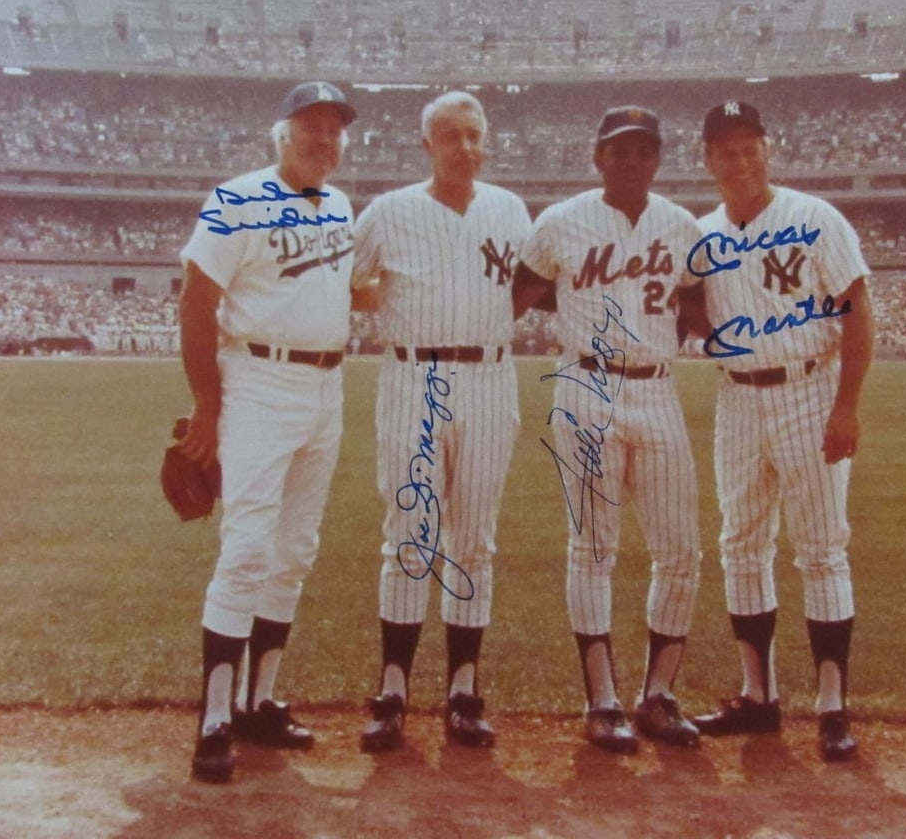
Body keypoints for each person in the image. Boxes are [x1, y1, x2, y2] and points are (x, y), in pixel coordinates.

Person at [178, 81, 362, 783]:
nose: (324, 139)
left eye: (335, 130)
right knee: (247, 545)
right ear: (282, 133)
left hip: (325, 385)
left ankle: (260, 700)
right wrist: (207, 401)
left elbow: (330, 288)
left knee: (296, 548)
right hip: (256, 380)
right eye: (311, 127)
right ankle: (216, 717)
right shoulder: (236, 198)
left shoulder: (341, 204)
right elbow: (198, 303)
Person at [513, 106, 709, 754]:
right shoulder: (561, 222)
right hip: (587, 383)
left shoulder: (682, 226)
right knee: (593, 546)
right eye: (619, 151)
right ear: (598, 157)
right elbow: (521, 292)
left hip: (657, 387)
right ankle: (602, 699)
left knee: (681, 550)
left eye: (644, 151)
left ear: (658, 159)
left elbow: (700, 304)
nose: (632, 162)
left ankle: (659, 696)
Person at [689, 100, 874, 762]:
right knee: (741, 543)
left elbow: (856, 311)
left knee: (821, 548)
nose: (738, 161)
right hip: (738, 398)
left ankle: (831, 705)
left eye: (749, 147)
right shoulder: (702, 233)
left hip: (808, 388)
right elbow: (687, 302)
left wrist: (846, 406)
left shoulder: (814, 217)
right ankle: (758, 696)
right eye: (724, 150)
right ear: (707, 160)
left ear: (766, 148)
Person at [352, 91, 532, 752]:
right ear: (426, 144)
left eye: (473, 134)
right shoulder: (390, 211)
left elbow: (532, 284)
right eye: (449, 135)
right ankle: (393, 690)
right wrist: (393, 297)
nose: (464, 145)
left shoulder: (509, 209)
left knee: (474, 539)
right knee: (408, 534)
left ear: (485, 141)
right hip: (413, 375)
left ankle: (463, 689)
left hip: (488, 376)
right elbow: (347, 281)